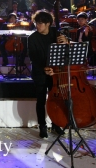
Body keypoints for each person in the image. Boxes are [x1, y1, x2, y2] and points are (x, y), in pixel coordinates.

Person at [28, 10, 67, 138]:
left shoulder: (56, 33)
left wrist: (66, 43)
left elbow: (65, 53)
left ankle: (56, 124)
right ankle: (42, 126)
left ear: (48, 23)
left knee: (55, 99)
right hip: (40, 72)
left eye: (40, 23)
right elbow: (33, 57)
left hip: (56, 72)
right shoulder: (32, 38)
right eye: (36, 23)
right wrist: (44, 68)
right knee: (41, 100)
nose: (37, 26)